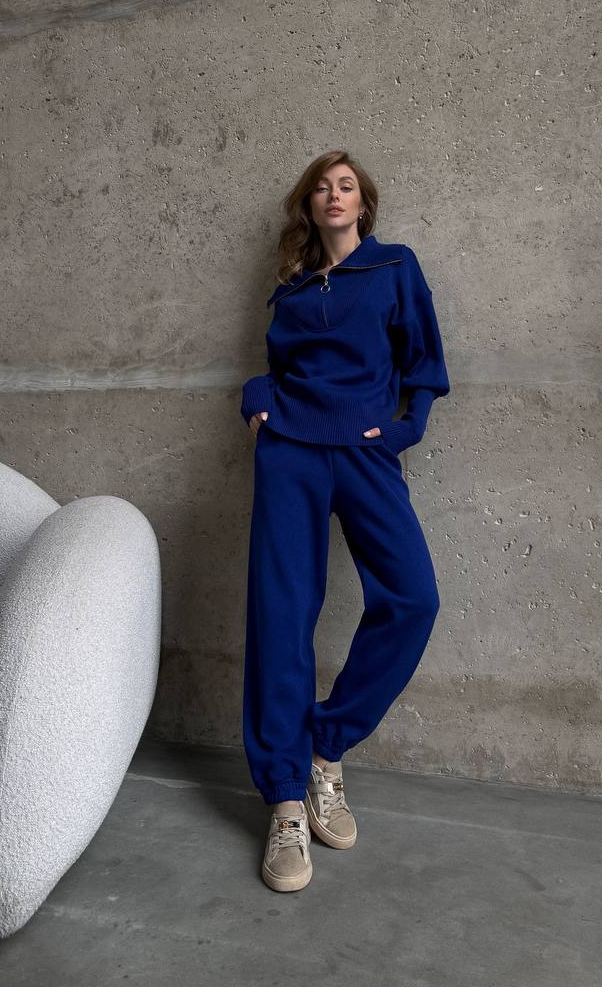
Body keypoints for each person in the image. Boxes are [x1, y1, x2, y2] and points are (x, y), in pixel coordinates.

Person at [240, 149, 450, 892]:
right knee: (282, 614)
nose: (334, 195)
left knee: (413, 599)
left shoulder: (394, 268)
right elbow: (277, 363)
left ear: (363, 204)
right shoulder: (292, 288)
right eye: (322, 188)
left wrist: (402, 430)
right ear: (310, 206)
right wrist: (259, 399)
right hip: (291, 452)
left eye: (347, 186)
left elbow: (424, 361)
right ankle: (287, 802)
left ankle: (325, 747)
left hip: (364, 450)